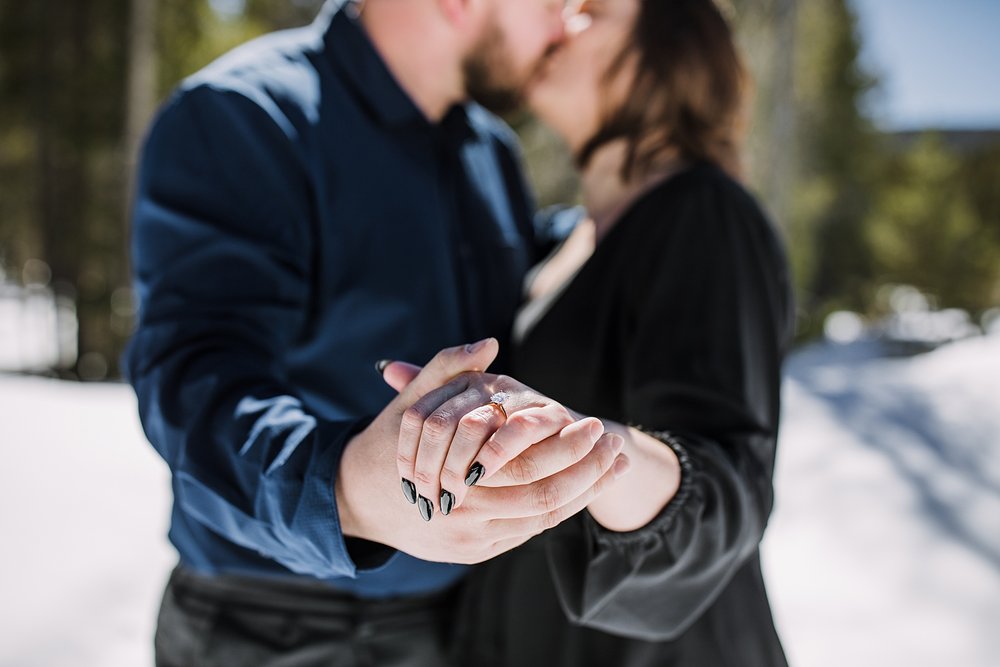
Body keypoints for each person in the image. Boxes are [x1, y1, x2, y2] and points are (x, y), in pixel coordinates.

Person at [125, 0, 631, 664]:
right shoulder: (246, 117)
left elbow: (515, 272)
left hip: (452, 625)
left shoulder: (487, 150)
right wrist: (348, 491)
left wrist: (627, 214)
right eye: (552, 1)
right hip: (268, 629)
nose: (565, 23)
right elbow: (193, 386)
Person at [381, 0, 795, 664]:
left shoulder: (705, 215)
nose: (557, 19)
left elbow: (727, 484)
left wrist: (585, 448)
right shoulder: (562, 236)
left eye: (591, 10)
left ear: (668, 51)